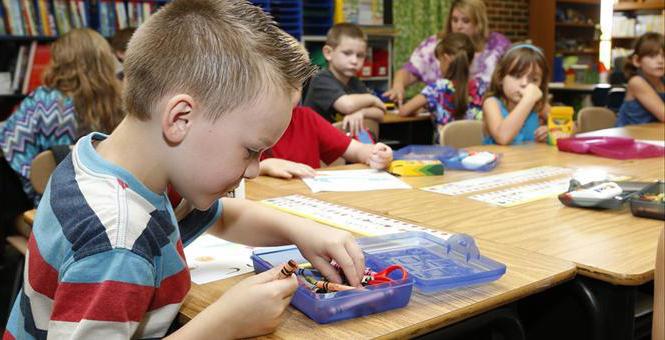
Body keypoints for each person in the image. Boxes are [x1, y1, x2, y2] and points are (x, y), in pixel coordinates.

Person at [4, 1, 366, 339]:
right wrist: (220, 326)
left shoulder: (111, 163)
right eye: (251, 150)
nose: (255, 169)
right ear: (180, 119)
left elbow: (222, 215)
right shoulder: (116, 244)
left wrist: (303, 231)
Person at [0, 28, 123, 208]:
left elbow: (10, 144)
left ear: (61, 61)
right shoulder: (118, 104)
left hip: (46, 202)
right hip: (100, 202)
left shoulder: (43, 100)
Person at [384, 0, 510, 106]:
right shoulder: (436, 44)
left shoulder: (498, 45)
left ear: (479, 24)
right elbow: (408, 71)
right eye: (454, 20)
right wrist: (398, 86)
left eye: (465, 21)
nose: (458, 26)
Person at [259, 106, 393, 179]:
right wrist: (263, 167)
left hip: (310, 204)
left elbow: (356, 150)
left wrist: (374, 154)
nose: (293, 88)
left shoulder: (306, 117)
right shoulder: (246, 121)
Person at [304, 23, 385, 137]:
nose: (354, 61)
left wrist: (361, 112)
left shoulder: (355, 82)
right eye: (347, 53)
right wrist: (373, 99)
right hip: (315, 145)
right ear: (328, 53)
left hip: (338, 143)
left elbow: (380, 113)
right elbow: (347, 105)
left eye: (360, 55)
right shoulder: (321, 79)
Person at [398, 33, 482, 144]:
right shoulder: (480, 88)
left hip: (444, 156)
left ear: (446, 59)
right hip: (476, 155)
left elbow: (404, 111)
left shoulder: (438, 88)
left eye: (440, 61)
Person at [483, 44, 550, 145]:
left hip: (530, 160)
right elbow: (503, 137)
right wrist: (528, 100)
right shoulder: (492, 103)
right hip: (500, 160)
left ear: (541, 84)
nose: (524, 84)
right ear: (500, 77)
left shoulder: (539, 105)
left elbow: (573, 128)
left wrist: (552, 131)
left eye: (534, 79)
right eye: (517, 76)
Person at [616, 32, 664, 126]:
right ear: (637, 61)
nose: (660, 61)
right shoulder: (636, 82)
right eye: (652, 56)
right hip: (631, 138)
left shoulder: (662, 81)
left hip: (653, 136)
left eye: (664, 56)